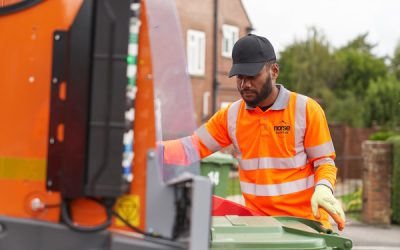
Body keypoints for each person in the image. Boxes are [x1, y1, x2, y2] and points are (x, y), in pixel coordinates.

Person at [162, 34, 345, 230]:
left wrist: (324, 188)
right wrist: (142, 151)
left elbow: (324, 161)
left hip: (306, 225)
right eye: (240, 77)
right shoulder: (231, 116)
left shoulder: (306, 109)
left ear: (274, 71)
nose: (245, 84)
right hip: (259, 226)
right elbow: (191, 147)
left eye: (252, 76)